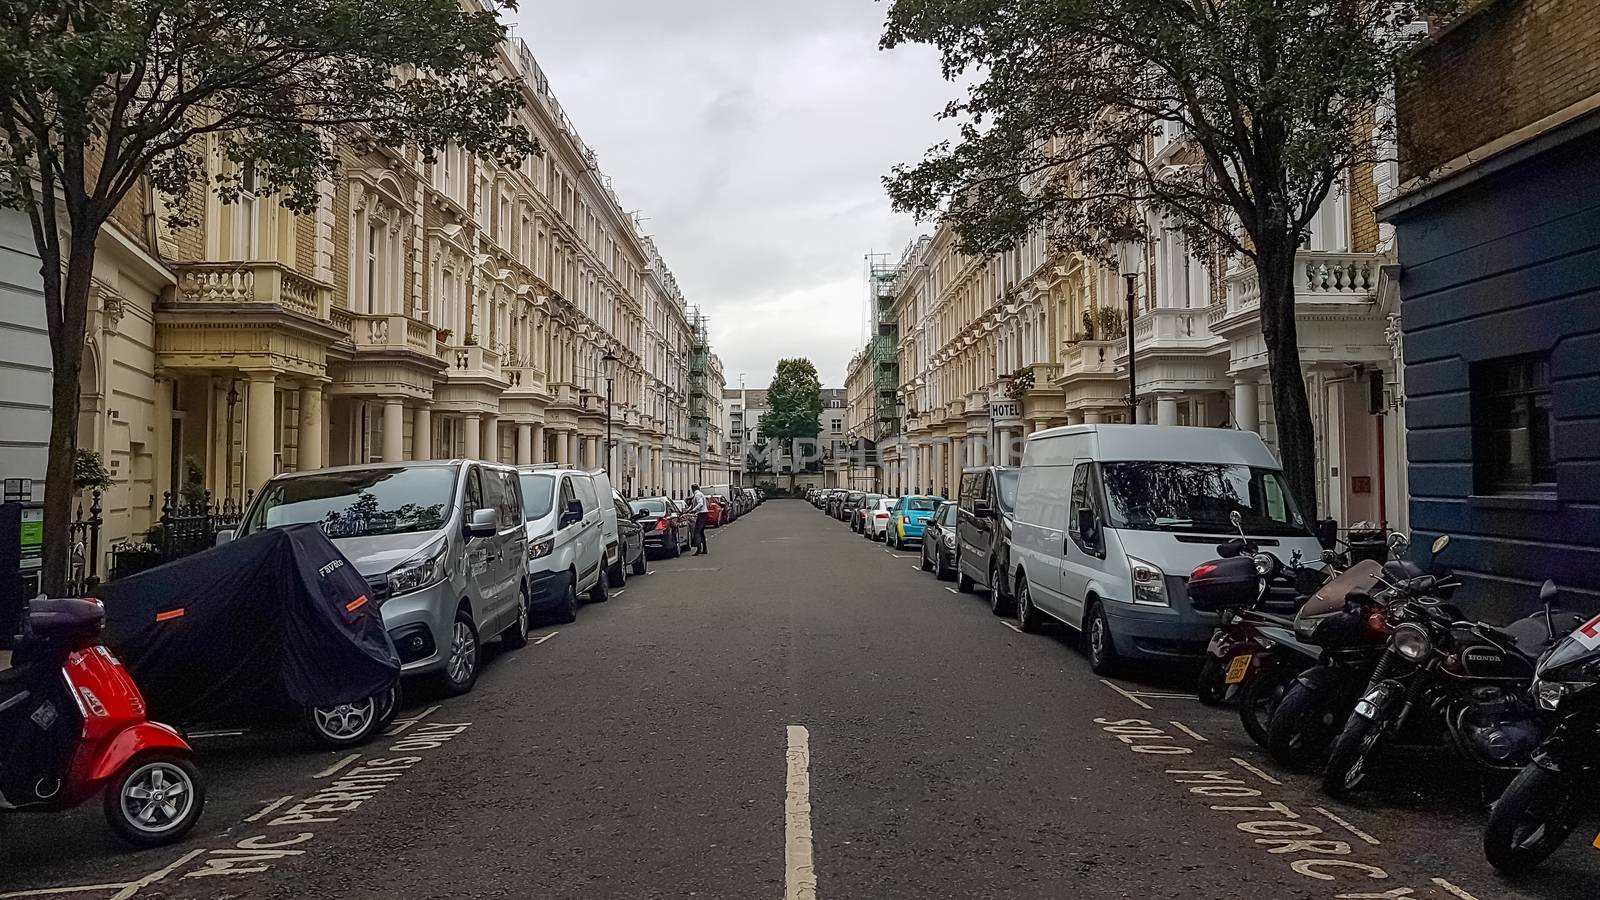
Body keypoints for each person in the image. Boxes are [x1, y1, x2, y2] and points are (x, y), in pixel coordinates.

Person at [686, 483, 709, 555]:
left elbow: (700, 504)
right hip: (704, 514)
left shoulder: (697, 495)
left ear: (693, 489)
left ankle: (699, 549)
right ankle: (705, 549)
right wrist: (689, 510)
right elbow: (694, 504)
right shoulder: (699, 494)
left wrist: (694, 510)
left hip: (702, 514)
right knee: (701, 532)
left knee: (697, 532)